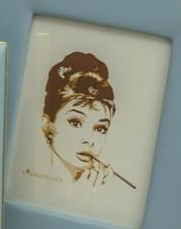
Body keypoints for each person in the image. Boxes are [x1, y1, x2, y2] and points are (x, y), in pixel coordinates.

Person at [39, 52, 135, 191]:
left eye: (100, 128)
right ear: (47, 125)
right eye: (75, 123)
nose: (90, 140)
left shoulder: (104, 188)